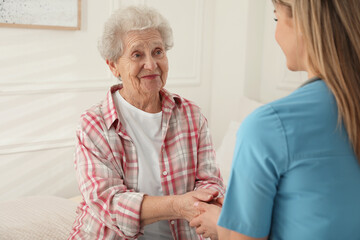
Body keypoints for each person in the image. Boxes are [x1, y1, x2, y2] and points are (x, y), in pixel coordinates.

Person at [190, 0, 360, 239]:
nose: (276, 33)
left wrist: (221, 225)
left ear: (301, 24)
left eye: (276, 18)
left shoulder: (268, 125)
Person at [68, 5, 225, 240]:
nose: (151, 64)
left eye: (158, 52)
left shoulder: (192, 115)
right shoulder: (94, 125)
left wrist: (204, 199)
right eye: (137, 54)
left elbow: (211, 181)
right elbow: (108, 201)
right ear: (113, 65)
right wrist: (177, 206)